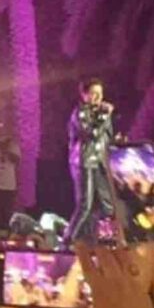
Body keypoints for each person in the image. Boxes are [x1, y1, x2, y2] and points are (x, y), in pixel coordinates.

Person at [65, 78, 117, 243]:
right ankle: (68, 239)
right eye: (93, 93)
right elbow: (91, 134)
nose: (98, 97)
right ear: (84, 95)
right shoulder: (80, 113)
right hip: (84, 161)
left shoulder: (102, 112)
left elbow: (107, 135)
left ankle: (107, 237)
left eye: (100, 93)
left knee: (109, 203)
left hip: (101, 162)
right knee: (85, 204)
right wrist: (104, 115)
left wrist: (116, 141)